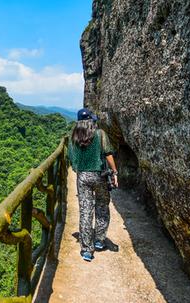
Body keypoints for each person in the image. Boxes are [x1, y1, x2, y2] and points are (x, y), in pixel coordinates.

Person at [68, 108, 118, 262]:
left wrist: (78, 168)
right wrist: (114, 172)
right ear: (91, 120)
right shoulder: (100, 134)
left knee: (85, 211)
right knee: (102, 205)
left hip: (82, 176)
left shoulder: (74, 136)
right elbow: (108, 153)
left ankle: (86, 250)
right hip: (99, 175)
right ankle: (99, 240)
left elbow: (71, 157)